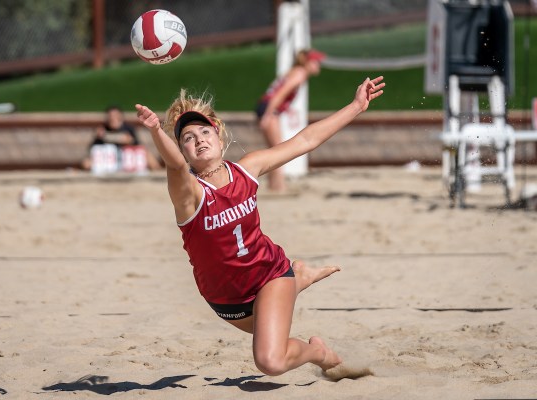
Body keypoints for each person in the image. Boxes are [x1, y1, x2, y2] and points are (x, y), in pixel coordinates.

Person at [135, 76, 385, 376]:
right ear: (183, 150)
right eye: (188, 138)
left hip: (268, 274)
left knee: (270, 361)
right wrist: (154, 131)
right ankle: (300, 278)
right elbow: (175, 166)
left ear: (219, 137)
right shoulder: (189, 194)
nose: (199, 139)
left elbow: (305, 141)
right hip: (227, 301)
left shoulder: (247, 170)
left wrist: (356, 106)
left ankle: (317, 350)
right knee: (271, 341)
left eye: (205, 131)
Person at [255, 49, 326, 192]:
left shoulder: (296, 71)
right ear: (307, 62)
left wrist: (287, 110)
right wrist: (268, 115)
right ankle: (278, 186)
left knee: (274, 150)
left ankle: (274, 185)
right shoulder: (300, 74)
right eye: (316, 62)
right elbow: (278, 95)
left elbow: (278, 94)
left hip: (267, 107)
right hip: (269, 109)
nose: (319, 65)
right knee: (278, 151)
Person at [81, 105, 161, 171]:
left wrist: (106, 136)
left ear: (120, 117)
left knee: (148, 155)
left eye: (115, 116)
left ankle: (159, 174)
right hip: (107, 159)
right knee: (86, 163)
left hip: (127, 157)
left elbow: (132, 142)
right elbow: (93, 149)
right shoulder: (102, 128)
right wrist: (98, 136)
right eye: (111, 116)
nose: (113, 118)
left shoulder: (128, 128)